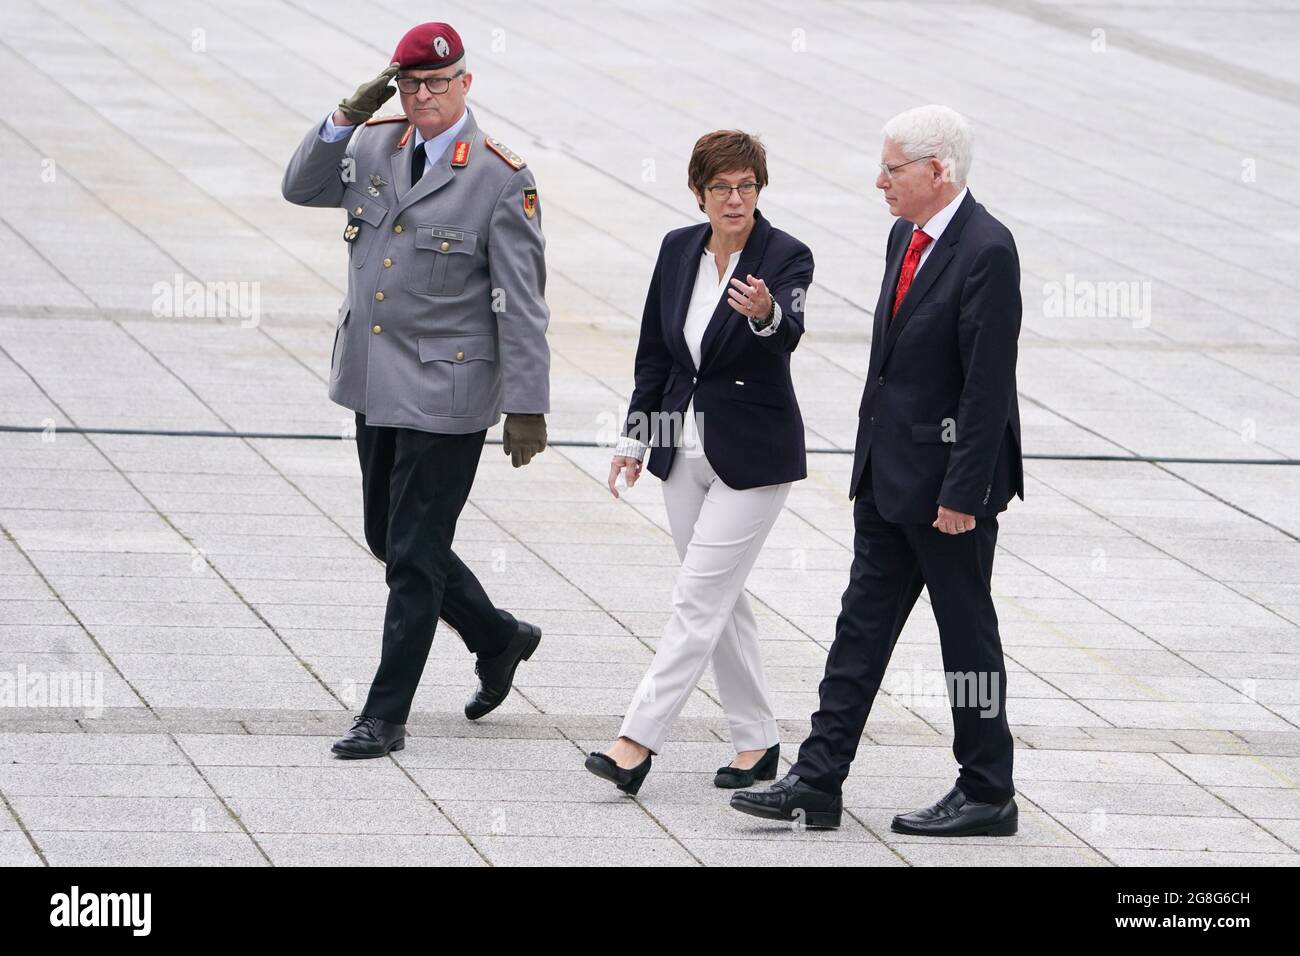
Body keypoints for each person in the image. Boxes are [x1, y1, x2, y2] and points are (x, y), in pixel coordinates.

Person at [732, 105, 1024, 834]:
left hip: (950, 492)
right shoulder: (907, 234)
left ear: (938, 171)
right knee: (857, 630)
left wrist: (963, 492)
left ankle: (988, 790)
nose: (879, 182)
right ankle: (818, 778)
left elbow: (988, 386)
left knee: (968, 645)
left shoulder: (988, 249)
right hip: (889, 477)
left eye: (892, 169)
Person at [281, 22, 551, 758]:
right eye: (408, 84)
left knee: (414, 551)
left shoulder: (499, 177)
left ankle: (384, 714)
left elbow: (521, 302)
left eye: (436, 82)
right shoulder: (374, 143)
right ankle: (499, 638)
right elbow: (299, 187)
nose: (422, 95)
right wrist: (344, 116)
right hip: (376, 379)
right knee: (387, 536)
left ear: (467, 83)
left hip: (449, 391)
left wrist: (528, 404)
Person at [584, 130, 815, 796]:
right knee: (721, 598)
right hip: (681, 451)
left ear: (759, 190)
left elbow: (788, 333)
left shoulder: (785, 255)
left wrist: (767, 314)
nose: (736, 199)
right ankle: (757, 742)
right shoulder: (678, 248)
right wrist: (635, 439)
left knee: (696, 598)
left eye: (747, 186)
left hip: (754, 456)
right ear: (699, 193)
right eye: (722, 188)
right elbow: (656, 353)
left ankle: (635, 743)